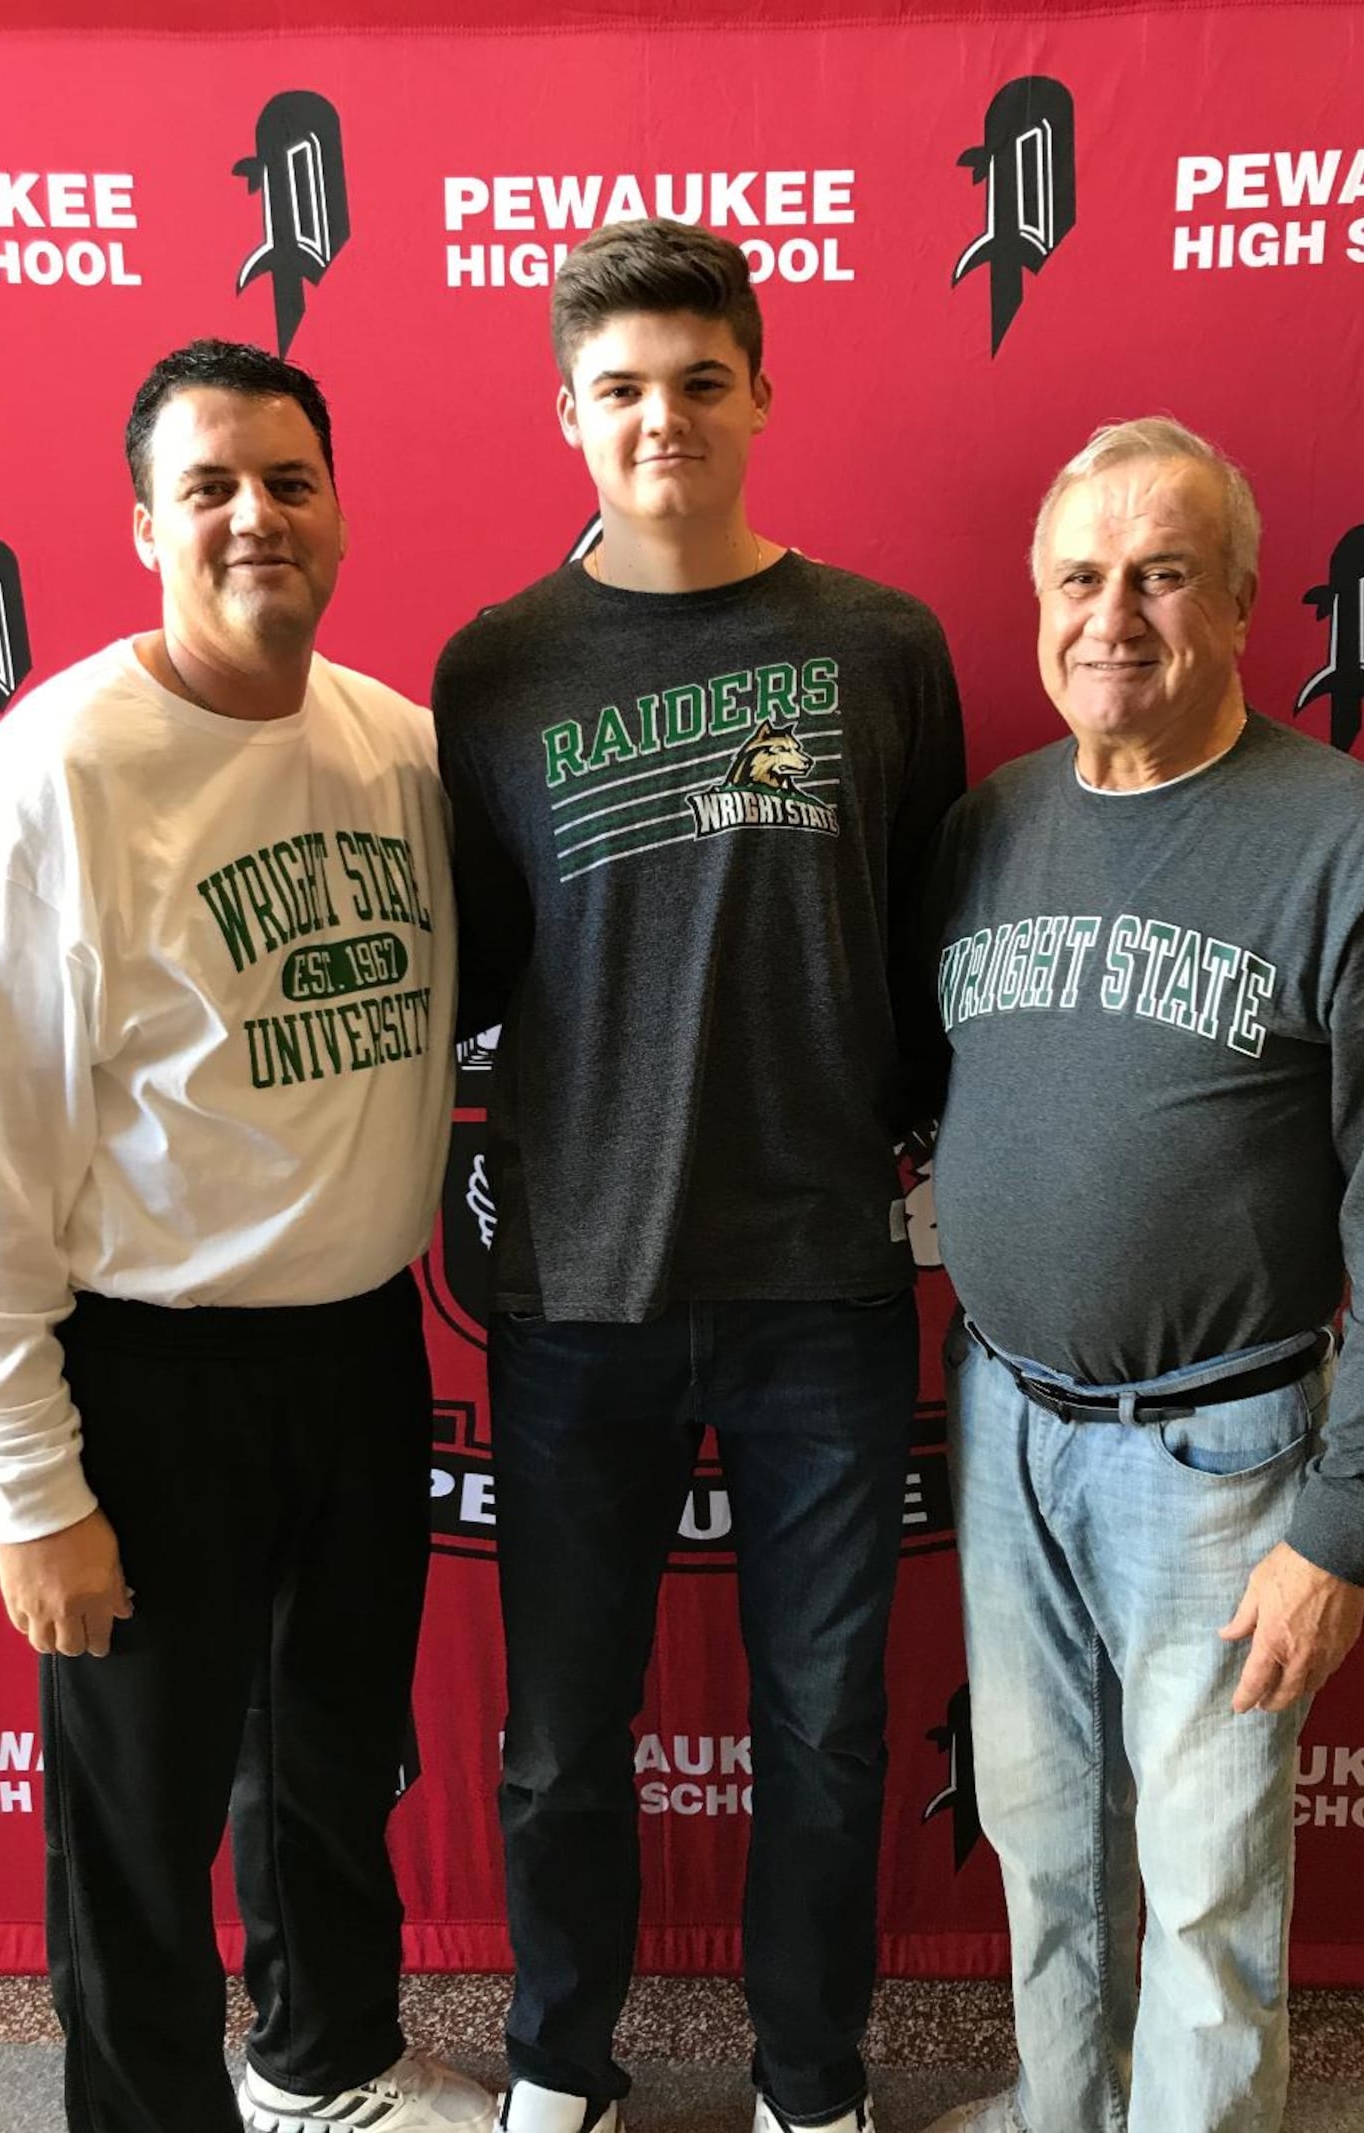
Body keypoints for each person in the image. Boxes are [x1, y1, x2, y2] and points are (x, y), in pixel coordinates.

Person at [0, 339, 491, 2133]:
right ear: (144, 519)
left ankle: (325, 2071)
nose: (256, 516)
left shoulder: (398, 748)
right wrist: (29, 1478)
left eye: (290, 481)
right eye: (213, 485)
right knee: (142, 1825)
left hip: (357, 1350)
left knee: (328, 1768)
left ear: (336, 506)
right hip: (143, 1372)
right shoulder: (48, 779)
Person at [431, 219, 966, 2133]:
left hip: (823, 1280)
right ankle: (558, 2062)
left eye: (701, 380)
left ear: (761, 391)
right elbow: (480, 987)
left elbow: (925, 966)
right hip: (580, 1287)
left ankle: (807, 2082)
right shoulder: (495, 668)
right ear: (568, 411)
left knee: (825, 1730)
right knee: (567, 1735)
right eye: (624, 389)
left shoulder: (884, 647)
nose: (665, 418)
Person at [919, 418, 1364, 2133]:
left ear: (1240, 600)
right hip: (1008, 1422)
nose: (1115, 617)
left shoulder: (1351, 843)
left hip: (1224, 1458)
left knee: (1209, 1888)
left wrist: (1343, 1525)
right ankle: (1060, 2110)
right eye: (1080, 578)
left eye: (1161, 574)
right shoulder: (989, 826)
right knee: (1043, 1843)